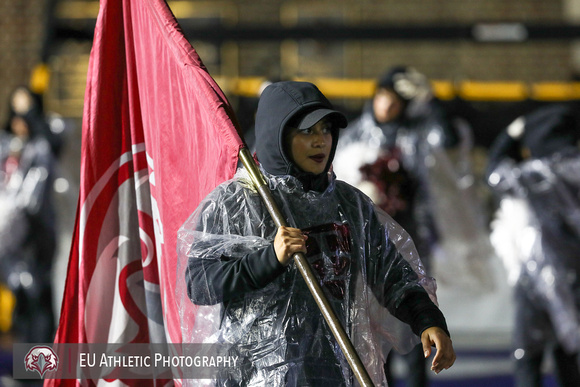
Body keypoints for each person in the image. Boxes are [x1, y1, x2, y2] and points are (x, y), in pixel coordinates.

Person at [177, 81, 455, 386]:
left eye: (325, 130)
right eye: (307, 131)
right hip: (254, 374)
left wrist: (428, 320)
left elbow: (392, 275)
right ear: (278, 135)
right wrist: (269, 259)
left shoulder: (350, 205)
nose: (320, 141)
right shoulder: (235, 202)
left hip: (330, 370)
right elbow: (200, 283)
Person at [334, 66, 477, 386]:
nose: (387, 106)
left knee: (411, 320)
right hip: (364, 245)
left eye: (396, 99)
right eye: (382, 96)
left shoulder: (417, 133)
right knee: (367, 331)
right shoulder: (355, 133)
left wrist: (432, 101)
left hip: (407, 240)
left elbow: (449, 141)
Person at [487, 103, 580, 387]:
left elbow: (493, 175)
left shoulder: (535, 173)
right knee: (569, 349)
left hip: (535, 279)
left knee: (528, 354)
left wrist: (510, 136)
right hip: (576, 278)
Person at [0, 86, 58, 343]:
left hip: (38, 235)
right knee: (19, 303)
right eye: (16, 116)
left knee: (40, 303)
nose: (19, 123)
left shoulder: (43, 145)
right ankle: (25, 374)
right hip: (10, 238)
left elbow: (51, 143)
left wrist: (29, 110)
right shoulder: (6, 148)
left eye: (25, 117)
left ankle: (41, 375)